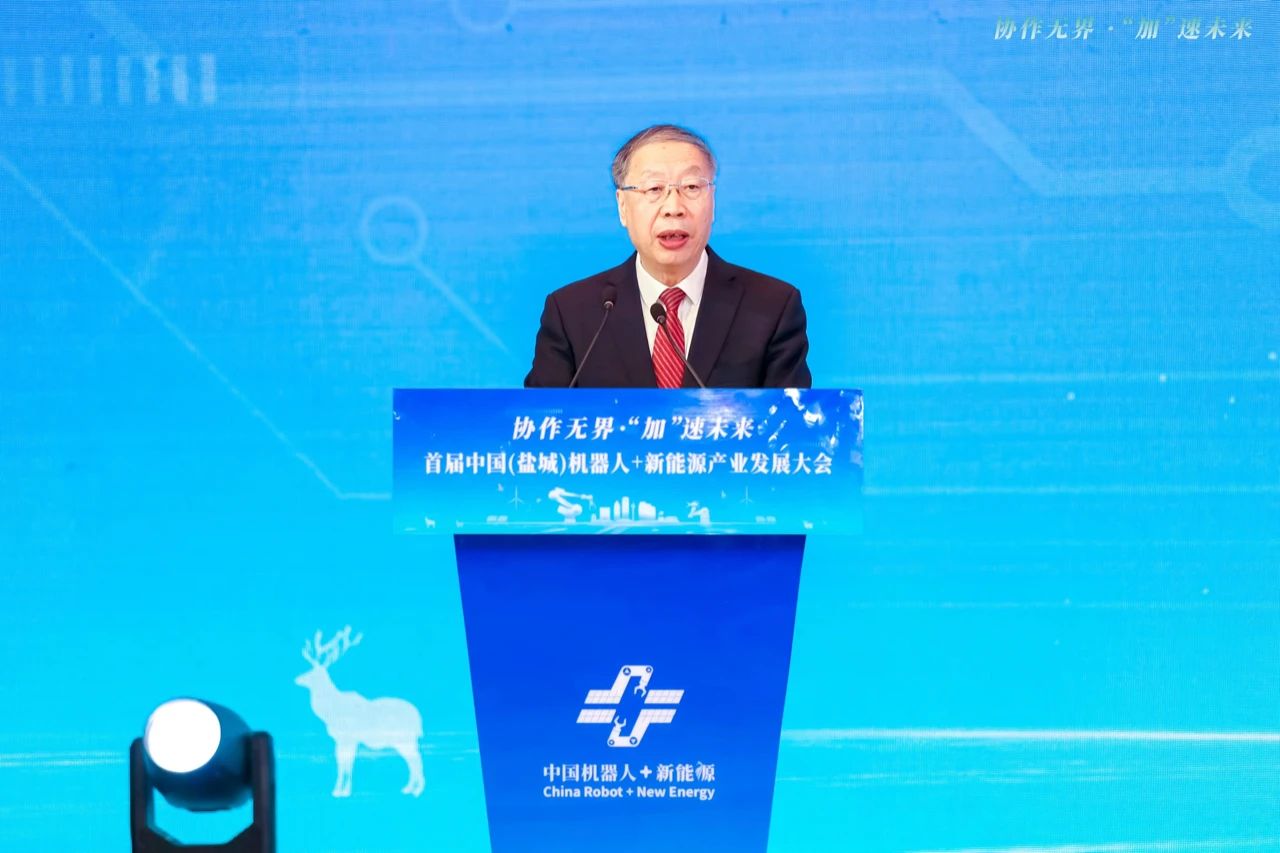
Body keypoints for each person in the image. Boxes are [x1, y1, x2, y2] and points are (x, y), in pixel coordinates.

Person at [523, 124, 811, 389]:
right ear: (622, 206)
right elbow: (541, 420)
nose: (674, 207)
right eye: (654, 189)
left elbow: (792, 423)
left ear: (712, 200)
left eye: (692, 187)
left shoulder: (772, 307)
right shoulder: (572, 313)